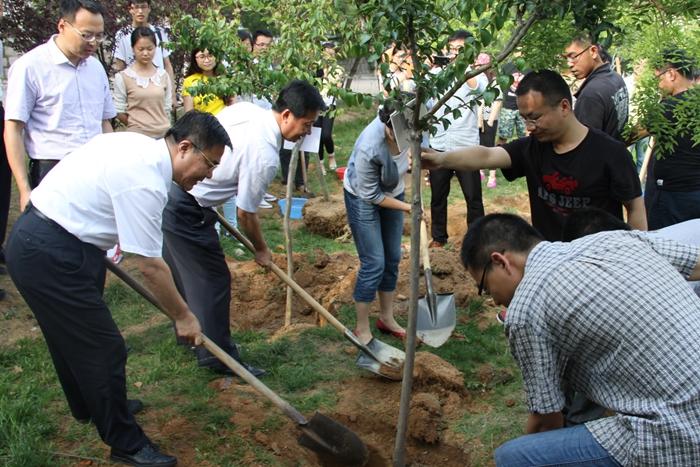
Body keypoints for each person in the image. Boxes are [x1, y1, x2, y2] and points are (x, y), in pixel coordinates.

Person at [6, 111, 231, 467]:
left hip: (62, 241)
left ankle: (92, 405)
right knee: (104, 348)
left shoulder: (136, 145)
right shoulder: (146, 180)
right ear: (185, 148)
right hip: (49, 250)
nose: (209, 175)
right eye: (209, 164)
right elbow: (150, 266)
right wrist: (184, 316)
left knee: (73, 339)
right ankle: (126, 443)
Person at [459, 213, 700, 466]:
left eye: (485, 287)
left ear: (500, 262)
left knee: (513, 457)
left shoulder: (525, 309)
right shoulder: (615, 239)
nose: (494, 300)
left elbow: (546, 422)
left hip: (677, 432)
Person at [163, 80, 326, 375]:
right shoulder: (264, 154)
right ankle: (219, 357)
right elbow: (246, 214)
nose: (308, 132)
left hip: (171, 191)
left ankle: (190, 338)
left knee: (184, 273)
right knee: (212, 280)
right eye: (307, 123)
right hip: (187, 205)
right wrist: (262, 250)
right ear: (287, 114)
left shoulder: (249, 110)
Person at [422, 69, 647, 241]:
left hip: (599, 263)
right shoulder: (532, 148)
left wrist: (637, 255)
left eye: (535, 117)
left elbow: (635, 208)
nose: (529, 127)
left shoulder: (610, 153)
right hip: (550, 261)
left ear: (564, 107)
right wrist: (441, 159)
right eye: (524, 118)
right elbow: (487, 156)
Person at [4, 0, 116, 212]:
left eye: (99, 35)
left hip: (95, 169)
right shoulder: (30, 67)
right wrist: (24, 188)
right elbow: (13, 129)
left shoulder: (95, 68)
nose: (93, 42)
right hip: (52, 170)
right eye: (86, 34)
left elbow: (104, 122)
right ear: (63, 26)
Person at [344, 102, 412, 345]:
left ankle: (386, 318)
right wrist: (409, 209)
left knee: (392, 257)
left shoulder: (411, 123)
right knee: (374, 262)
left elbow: (419, 150)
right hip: (363, 197)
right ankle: (361, 328)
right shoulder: (369, 147)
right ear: (387, 128)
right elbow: (372, 196)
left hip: (394, 190)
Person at [428, 30, 487, 248]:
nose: (454, 54)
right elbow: (422, 95)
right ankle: (438, 238)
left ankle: (477, 240)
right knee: (438, 197)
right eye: (452, 49)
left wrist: (462, 68)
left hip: (465, 148)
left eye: (460, 50)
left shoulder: (477, 74)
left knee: (473, 198)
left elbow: (479, 89)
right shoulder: (437, 75)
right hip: (439, 146)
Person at [644, 48, 699, 230]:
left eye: (658, 78)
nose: (658, 85)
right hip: (695, 191)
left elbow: (632, 135)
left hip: (673, 195)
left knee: (666, 246)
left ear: (672, 75)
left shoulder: (668, 108)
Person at [112, 0, 176, 111]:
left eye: (143, 7)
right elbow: (119, 66)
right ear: (130, 9)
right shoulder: (122, 35)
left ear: (149, 8)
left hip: (159, 90)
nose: (140, 11)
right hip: (136, 92)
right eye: (136, 7)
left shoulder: (160, 33)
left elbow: (167, 65)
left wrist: (173, 95)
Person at [564, 35, 629, 142]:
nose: (569, 64)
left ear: (593, 51)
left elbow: (585, 147)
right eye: (566, 58)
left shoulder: (590, 95)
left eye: (573, 56)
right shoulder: (616, 78)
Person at [113, 27, 172, 138]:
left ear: (155, 48)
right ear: (133, 49)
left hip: (163, 135)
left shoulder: (163, 75)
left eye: (150, 49)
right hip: (137, 137)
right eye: (141, 49)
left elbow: (167, 107)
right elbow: (119, 111)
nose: (145, 53)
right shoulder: (123, 77)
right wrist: (136, 126)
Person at [182, 48, 227, 115]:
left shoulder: (225, 77)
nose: (207, 60)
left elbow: (233, 106)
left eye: (210, 55)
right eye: (202, 57)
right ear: (195, 59)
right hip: (205, 123)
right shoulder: (190, 81)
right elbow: (189, 114)